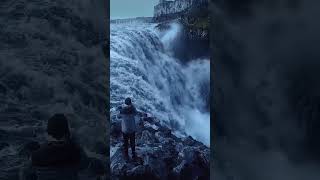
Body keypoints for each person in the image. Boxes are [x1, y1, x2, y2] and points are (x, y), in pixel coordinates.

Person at [20, 113, 105, 180]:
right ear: (67, 131)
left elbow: (24, 172)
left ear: (49, 132)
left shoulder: (36, 155)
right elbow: (84, 166)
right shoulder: (76, 151)